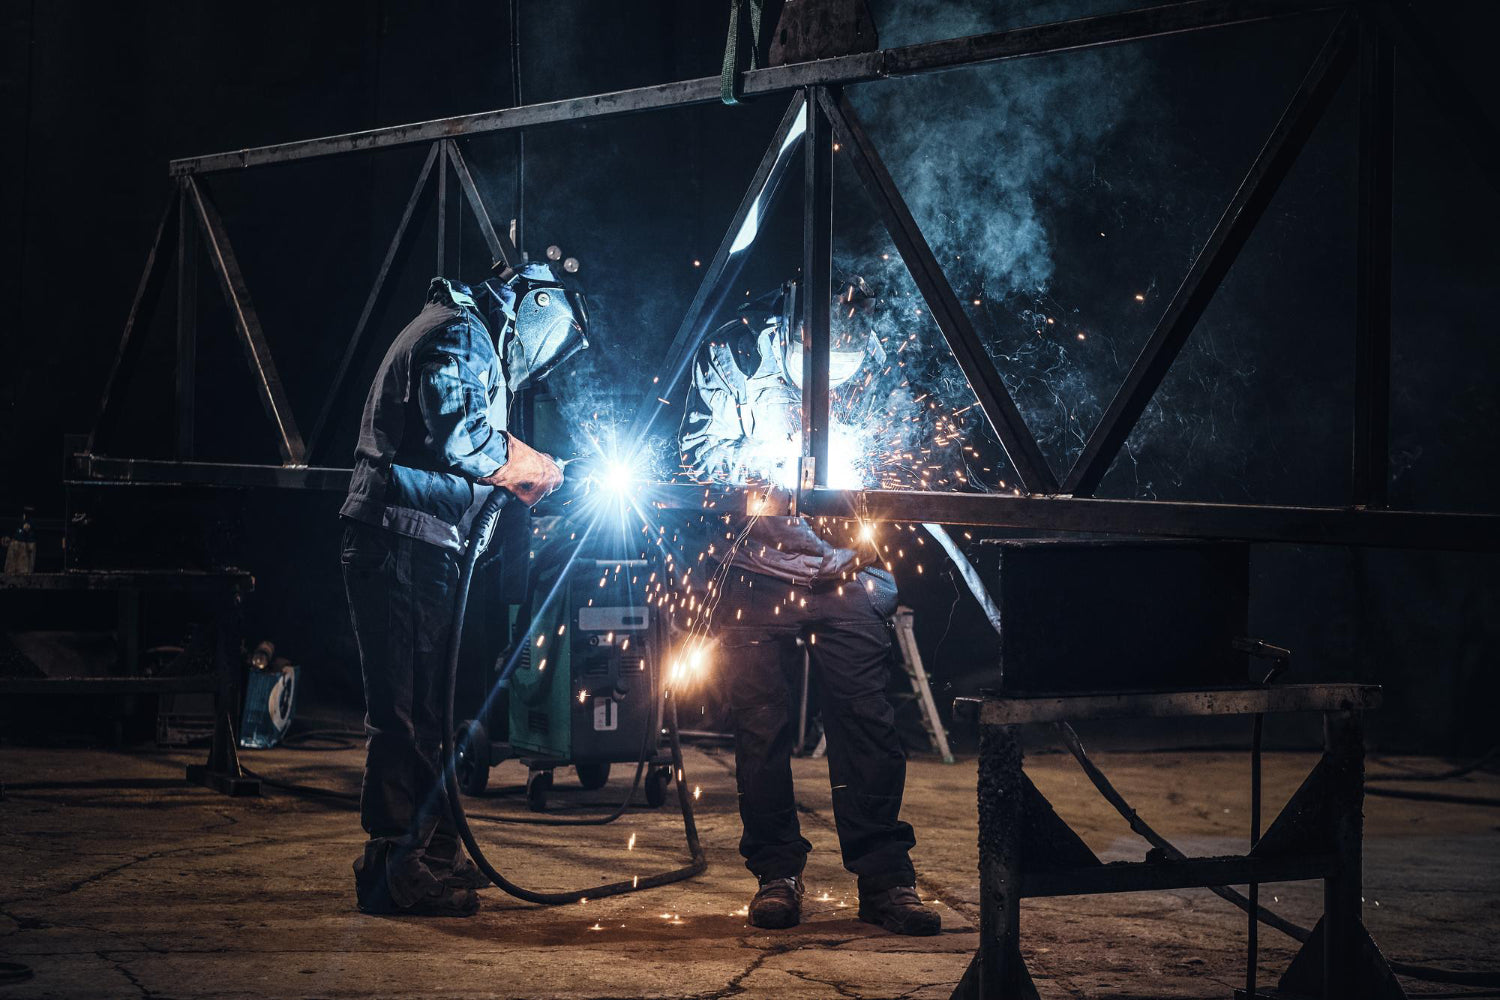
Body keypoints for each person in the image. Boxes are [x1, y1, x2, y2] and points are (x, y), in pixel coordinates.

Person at [678, 279, 940, 936]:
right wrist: (763, 467)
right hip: (755, 571)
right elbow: (696, 455)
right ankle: (776, 872)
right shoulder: (734, 354)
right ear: (792, 332)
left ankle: (884, 878)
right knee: (761, 729)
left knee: (869, 722)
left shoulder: (876, 360)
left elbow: (905, 448)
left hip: (847, 569)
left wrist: (867, 483)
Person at [340, 262, 586, 916]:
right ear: (533, 313)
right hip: (402, 543)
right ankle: (396, 865)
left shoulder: (455, 328)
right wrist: (534, 465)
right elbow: (460, 437)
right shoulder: (461, 335)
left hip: (421, 546)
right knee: (406, 711)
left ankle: (427, 856)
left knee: (432, 711)